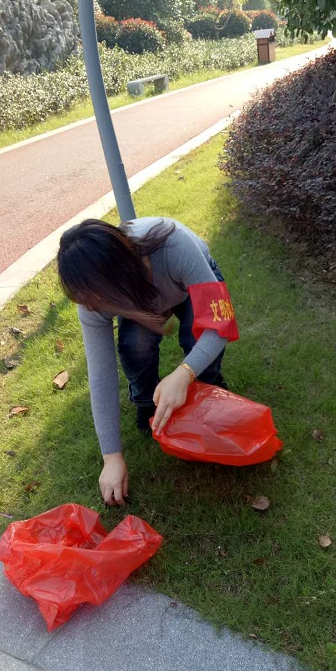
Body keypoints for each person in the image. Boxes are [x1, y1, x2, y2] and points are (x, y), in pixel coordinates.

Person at [57, 216, 238, 506]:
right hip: (138, 295)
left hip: (185, 282)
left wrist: (185, 373)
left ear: (121, 273)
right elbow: (101, 375)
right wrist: (111, 456)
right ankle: (146, 404)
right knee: (134, 346)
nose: (95, 308)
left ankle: (209, 388)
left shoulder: (176, 245)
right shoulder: (91, 301)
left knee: (198, 343)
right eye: (90, 302)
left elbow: (220, 324)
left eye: (103, 300)